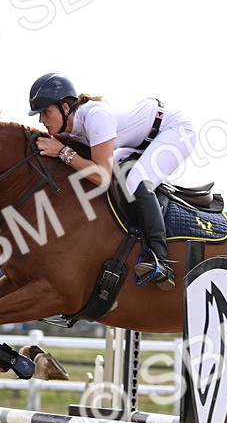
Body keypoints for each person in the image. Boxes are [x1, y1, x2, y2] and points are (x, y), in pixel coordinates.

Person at [28, 73, 197, 290]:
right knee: (116, 174)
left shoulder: (95, 117)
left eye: (45, 112)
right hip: (140, 141)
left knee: (135, 181)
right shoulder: (70, 126)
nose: (41, 119)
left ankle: (160, 260)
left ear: (65, 107)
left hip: (175, 131)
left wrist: (62, 151)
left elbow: (101, 175)